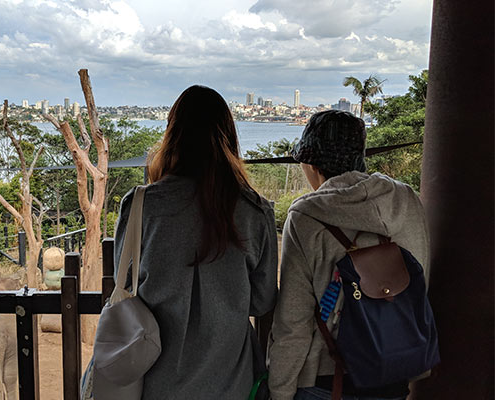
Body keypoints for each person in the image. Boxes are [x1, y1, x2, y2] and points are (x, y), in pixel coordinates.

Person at [113, 85, 278, 399]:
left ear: (172, 134)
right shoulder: (255, 211)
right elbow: (262, 301)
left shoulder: (140, 206)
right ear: (229, 137)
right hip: (231, 381)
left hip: (153, 381)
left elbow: (124, 285)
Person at [267, 110, 430, 400]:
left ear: (311, 164)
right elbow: (419, 282)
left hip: (328, 379)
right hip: (394, 369)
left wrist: (280, 389)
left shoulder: (306, 217)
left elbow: (294, 321)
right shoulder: (406, 201)